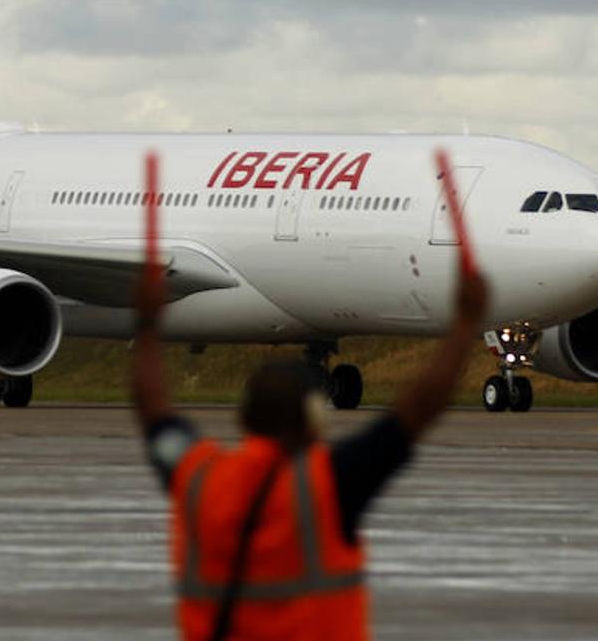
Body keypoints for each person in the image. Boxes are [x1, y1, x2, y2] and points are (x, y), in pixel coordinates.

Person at [131, 263, 489, 641]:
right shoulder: (330, 482)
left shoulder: (197, 477)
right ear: (313, 418)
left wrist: (148, 325)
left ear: (246, 416)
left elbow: (153, 411)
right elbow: (416, 411)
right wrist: (465, 325)